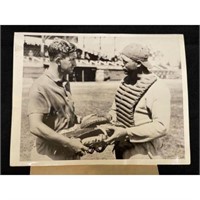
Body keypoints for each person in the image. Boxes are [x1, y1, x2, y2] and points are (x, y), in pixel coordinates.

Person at [104, 43, 171, 159]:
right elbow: (116, 108)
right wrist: (108, 117)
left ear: (138, 63)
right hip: (121, 147)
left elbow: (161, 126)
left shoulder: (158, 88)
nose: (121, 65)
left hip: (142, 152)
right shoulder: (125, 81)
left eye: (125, 62)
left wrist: (127, 132)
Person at [28, 38, 88, 161]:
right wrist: (69, 143)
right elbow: (35, 126)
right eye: (72, 60)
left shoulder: (65, 82)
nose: (75, 64)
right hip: (50, 156)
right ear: (58, 61)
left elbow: (62, 116)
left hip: (70, 152)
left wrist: (82, 119)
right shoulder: (40, 85)